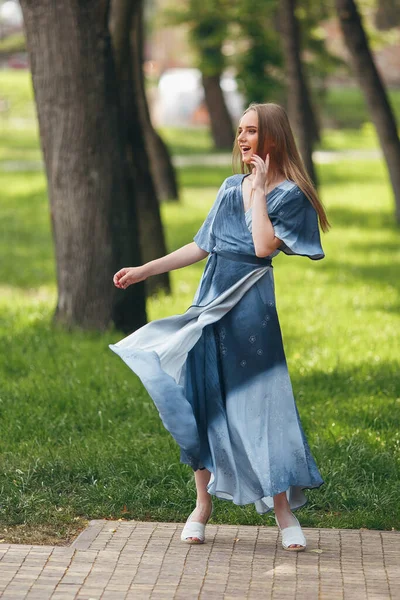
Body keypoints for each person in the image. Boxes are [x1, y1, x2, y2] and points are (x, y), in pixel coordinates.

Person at [109, 102, 330, 552]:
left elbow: (264, 247)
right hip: (210, 304)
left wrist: (262, 192)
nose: (242, 139)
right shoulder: (232, 187)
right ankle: (201, 506)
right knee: (201, 400)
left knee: (262, 405)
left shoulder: (291, 195)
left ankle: (283, 510)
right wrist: (144, 270)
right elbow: (201, 245)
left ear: (273, 137)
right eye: (240, 131)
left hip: (251, 311)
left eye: (251, 131)